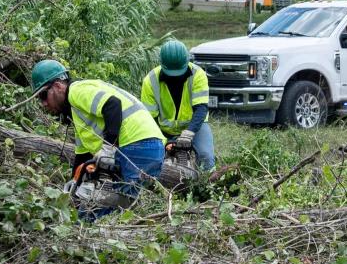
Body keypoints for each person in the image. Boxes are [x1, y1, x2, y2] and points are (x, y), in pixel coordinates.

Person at [31, 60, 164, 214]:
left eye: (43, 95)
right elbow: (82, 156)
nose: (43, 103)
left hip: (136, 146)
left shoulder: (77, 91)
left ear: (58, 86)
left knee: (103, 212)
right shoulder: (77, 113)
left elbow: (112, 105)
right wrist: (75, 183)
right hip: (149, 147)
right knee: (121, 209)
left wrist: (108, 148)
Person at [141, 41, 215, 170]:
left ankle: (208, 185)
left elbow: (201, 108)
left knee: (206, 156)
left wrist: (189, 132)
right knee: (153, 160)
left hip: (195, 126)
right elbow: (149, 119)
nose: (176, 78)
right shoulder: (150, 80)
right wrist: (164, 140)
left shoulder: (198, 74)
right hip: (163, 130)